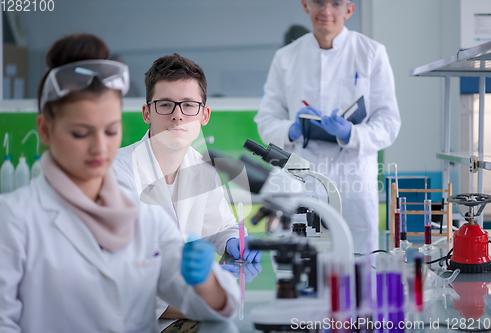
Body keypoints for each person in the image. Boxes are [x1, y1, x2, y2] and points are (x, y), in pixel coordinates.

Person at [0, 34, 238, 333]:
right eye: (80, 133)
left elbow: (221, 303)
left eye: (111, 131)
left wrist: (206, 280)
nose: (100, 148)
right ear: (45, 130)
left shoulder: (145, 218)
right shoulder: (13, 219)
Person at [111, 53, 261, 328]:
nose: (178, 115)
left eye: (189, 105)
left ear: (204, 115)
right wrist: (201, 304)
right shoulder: (118, 174)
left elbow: (219, 226)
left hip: (184, 310)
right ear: (147, 113)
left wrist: (232, 240)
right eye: (166, 104)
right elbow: (119, 275)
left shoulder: (203, 169)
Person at [254, 0, 401, 253]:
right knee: (303, 265)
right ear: (305, 5)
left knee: (358, 266)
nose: (327, 11)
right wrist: (292, 130)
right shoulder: (286, 58)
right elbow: (266, 120)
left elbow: (389, 123)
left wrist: (351, 133)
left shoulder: (371, 53)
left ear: (349, 9)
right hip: (302, 180)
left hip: (353, 180)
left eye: (336, 3)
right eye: (319, 2)